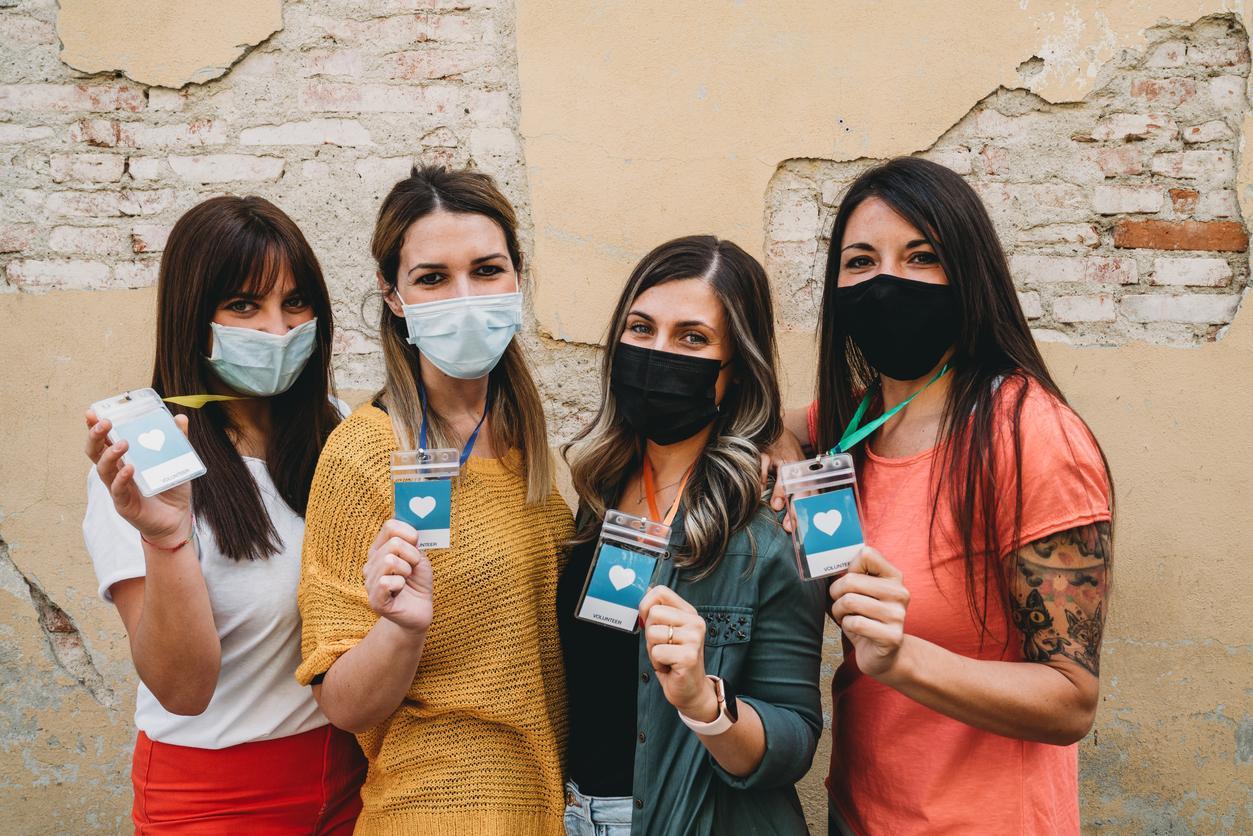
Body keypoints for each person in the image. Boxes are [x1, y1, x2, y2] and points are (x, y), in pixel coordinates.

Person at [769, 157, 1113, 835]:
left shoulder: (1033, 437)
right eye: (860, 261)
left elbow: (1070, 702)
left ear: (968, 274)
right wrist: (782, 457)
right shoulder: (850, 423)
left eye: (919, 256)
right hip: (858, 812)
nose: (885, 282)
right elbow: (769, 425)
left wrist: (903, 660)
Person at [296, 165, 574, 835]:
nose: (466, 297)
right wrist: (399, 628)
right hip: (439, 812)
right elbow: (341, 702)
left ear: (517, 276)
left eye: (486, 270)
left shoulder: (525, 443)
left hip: (548, 807)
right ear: (393, 297)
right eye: (431, 278)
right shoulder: (365, 453)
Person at [82, 196, 364, 833]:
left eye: (295, 303)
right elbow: (182, 690)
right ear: (193, 315)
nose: (276, 329)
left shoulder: (341, 430)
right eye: (243, 304)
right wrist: (167, 539)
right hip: (214, 798)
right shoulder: (142, 459)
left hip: (353, 779)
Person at [559, 235, 827, 835]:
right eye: (640, 328)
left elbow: (796, 738)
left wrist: (707, 705)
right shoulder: (600, 488)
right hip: (579, 817)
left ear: (738, 369)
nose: (658, 353)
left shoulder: (773, 520)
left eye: (693, 338)